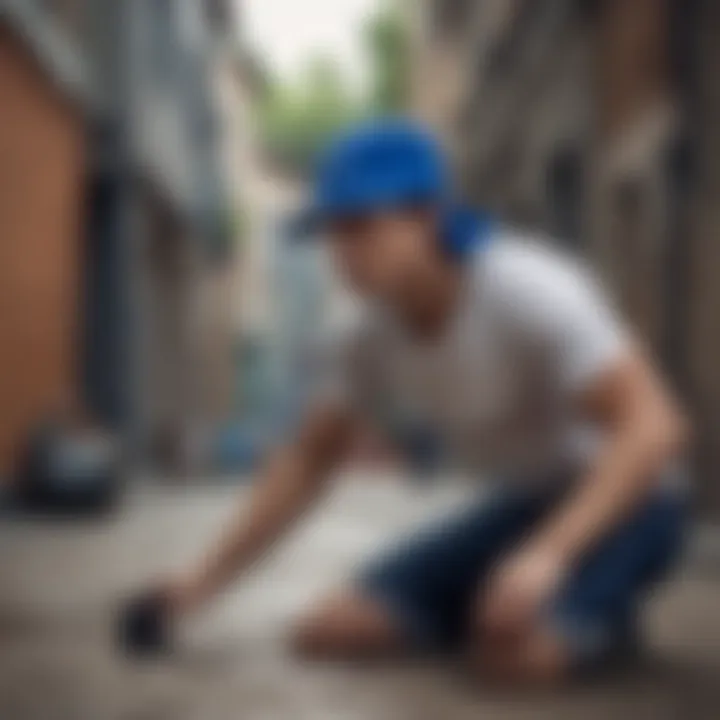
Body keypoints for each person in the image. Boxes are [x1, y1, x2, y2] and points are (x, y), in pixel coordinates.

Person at [120, 118, 689, 685]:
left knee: (518, 663)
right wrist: (198, 585)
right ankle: (506, 614)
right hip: (521, 507)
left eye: (361, 226)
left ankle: (587, 623)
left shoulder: (528, 287)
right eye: (333, 231)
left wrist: (549, 556)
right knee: (330, 631)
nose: (343, 251)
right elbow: (305, 463)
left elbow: (656, 427)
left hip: (631, 505)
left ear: (429, 215)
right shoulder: (362, 334)